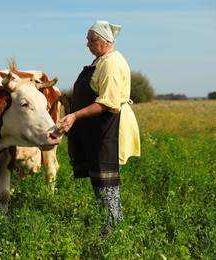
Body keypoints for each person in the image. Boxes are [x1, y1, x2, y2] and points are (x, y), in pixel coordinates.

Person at [57, 20, 140, 233]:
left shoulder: (111, 63)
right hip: (96, 130)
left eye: (92, 40)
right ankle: (109, 229)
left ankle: (113, 233)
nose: (88, 44)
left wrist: (75, 115)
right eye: (87, 40)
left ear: (106, 41)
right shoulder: (100, 61)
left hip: (108, 129)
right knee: (100, 184)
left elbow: (107, 103)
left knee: (107, 185)